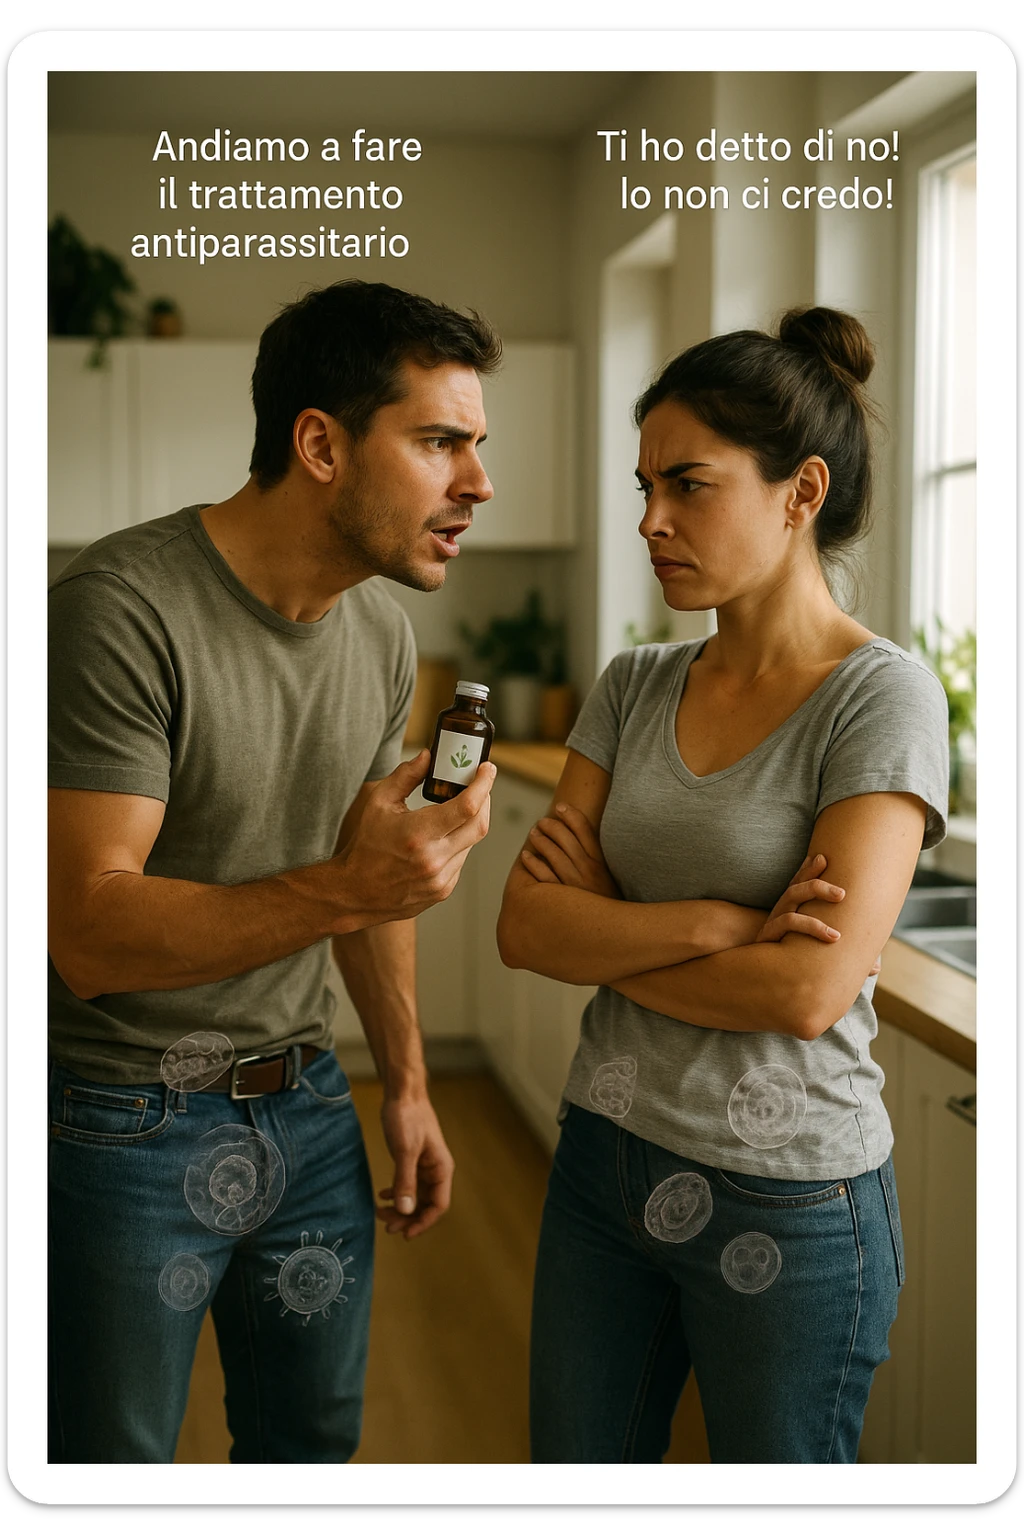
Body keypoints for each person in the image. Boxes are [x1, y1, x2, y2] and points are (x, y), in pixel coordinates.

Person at [47, 280, 500, 1464]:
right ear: (319, 445)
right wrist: (356, 884)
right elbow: (88, 933)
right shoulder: (118, 609)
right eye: (441, 441)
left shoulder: (381, 633)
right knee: (111, 1461)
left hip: (304, 1105)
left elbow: (369, 885)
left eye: (478, 444)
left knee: (309, 1449)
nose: (478, 483)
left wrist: (403, 1080)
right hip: (120, 1120)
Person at [497, 307, 949, 1464]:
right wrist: (714, 924)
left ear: (799, 492)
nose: (649, 519)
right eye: (645, 484)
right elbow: (525, 925)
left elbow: (804, 998)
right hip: (604, 1154)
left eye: (687, 485)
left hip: (789, 1197)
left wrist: (614, 929)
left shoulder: (878, 700)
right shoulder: (634, 683)